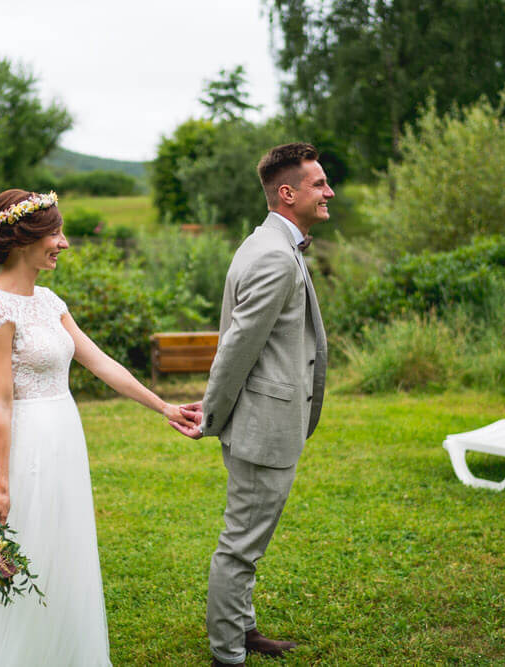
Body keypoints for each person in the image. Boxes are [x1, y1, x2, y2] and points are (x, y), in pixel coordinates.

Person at [0, 188, 200, 666]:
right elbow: (0, 401)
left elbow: (101, 363)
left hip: (65, 438)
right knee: (24, 551)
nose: (63, 243)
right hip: (27, 448)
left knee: (64, 554)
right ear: (24, 240)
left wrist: (164, 407)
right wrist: (3, 486)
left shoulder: (50, 302)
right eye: (54, 233)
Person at [172, 143, 332, 666]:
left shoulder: (267, 242)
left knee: (247, 539)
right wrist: (211, 416)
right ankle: (227, 654)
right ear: (288, 194)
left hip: (265, 421)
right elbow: (237, 347)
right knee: (240, 546)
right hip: (263, 428)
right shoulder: (273, 255)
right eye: (318, 184)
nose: (329, 192)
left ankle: (242, 631)